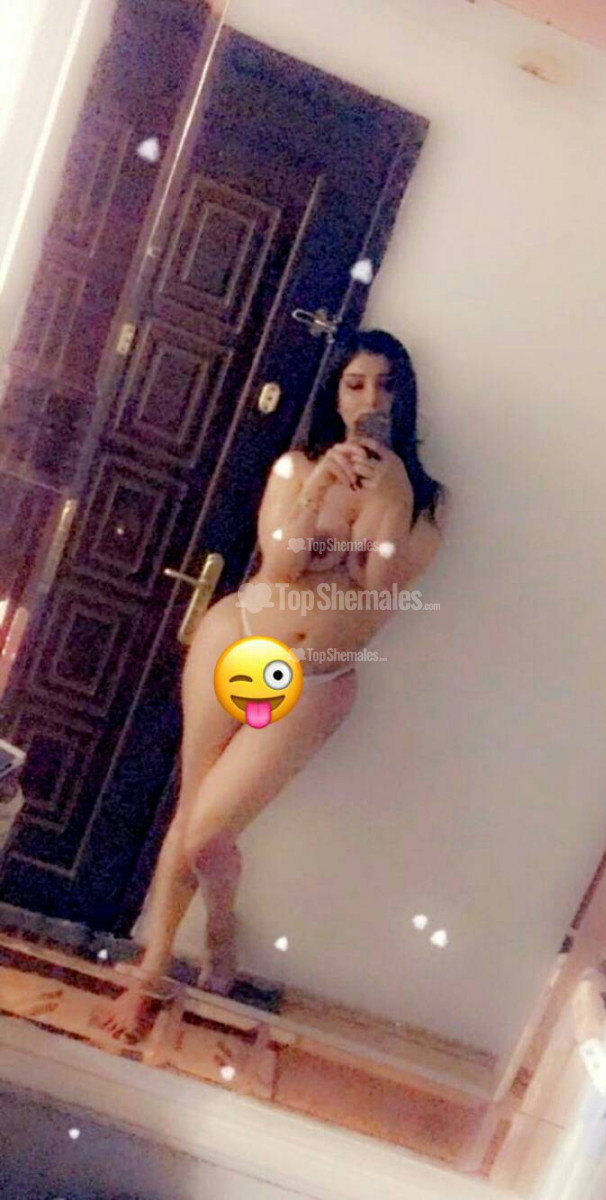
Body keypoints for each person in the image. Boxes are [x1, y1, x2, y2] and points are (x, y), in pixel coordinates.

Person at [91, 329, 447, 1043]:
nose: (370, 399)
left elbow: (380, 590)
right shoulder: (296, 465)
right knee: (190, 802)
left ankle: (221, 927)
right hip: (239, 634)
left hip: (317, 674)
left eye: (386, 385)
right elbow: (281, 563)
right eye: (354, 384)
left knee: (207, 834)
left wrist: (391, 492)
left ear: (404, 396)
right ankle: (151, 970)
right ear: (335, 394)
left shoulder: (423, 500)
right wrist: (318, 485)